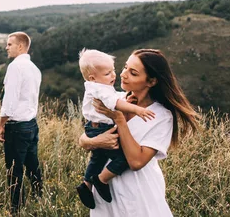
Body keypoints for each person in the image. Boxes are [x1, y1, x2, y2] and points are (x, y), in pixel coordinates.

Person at [79, 49, 199, 216]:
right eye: (125, 67)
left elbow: (136, 162)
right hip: (104, 194)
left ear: (150, 81)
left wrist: (120, 120)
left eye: (133, 73)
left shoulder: (161, 116)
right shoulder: (114, 98)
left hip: (137, 193)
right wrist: (93, 142)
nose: (123, 74)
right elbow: (87, 134)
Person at [76, 48, 156, 209]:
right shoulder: (97, 87)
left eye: (113, 71)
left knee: (97, 159)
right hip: (100, 129)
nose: (114, 75)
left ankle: (86, 184)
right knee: (123, 158)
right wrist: (137, 109)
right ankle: (101, 180)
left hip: (94, 128)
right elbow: (114, 102)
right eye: (107, 73)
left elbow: (114, 96)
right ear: (93, 77)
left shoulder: (99, 86)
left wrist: (125, 97)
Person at [0, 32, 43, 215]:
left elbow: (10, 100)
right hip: (31, 124)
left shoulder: (15, 67)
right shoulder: (34, 68)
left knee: (14, 170)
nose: (6, 47)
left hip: (17, 126)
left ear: (21, 46)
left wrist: (1, 125)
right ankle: (40, 198)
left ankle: (16, 210)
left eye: (9, 44)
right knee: (32, 166)